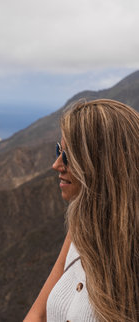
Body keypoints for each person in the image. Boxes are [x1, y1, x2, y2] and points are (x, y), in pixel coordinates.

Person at [24, 99, 139, 322]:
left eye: (68, 156)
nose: (56, 164)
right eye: (59, 150)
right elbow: (38, 314)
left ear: (104, 165)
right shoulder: (80, 227)